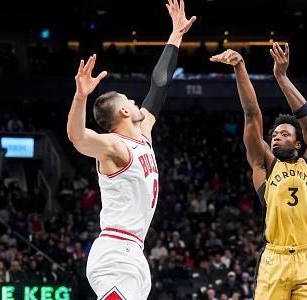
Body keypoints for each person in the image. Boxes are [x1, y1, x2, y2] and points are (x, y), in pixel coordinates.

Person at [66, 0, 196, 299]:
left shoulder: (143, 133)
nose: (137, 103)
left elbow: (159, 85)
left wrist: (175, 35)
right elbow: (77, 137)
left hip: (134, 253)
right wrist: (80, 97)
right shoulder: (115, 146)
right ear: (123, 113)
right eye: (130, 101)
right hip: (115, 254)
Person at [210, 42, 307, 299]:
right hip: (275, 259)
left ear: (298, 143)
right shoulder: (265, 165)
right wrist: (240, 67)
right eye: (274, 134)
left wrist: (281, 77)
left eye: (284, 134)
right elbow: (252, 114)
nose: (275, 137)